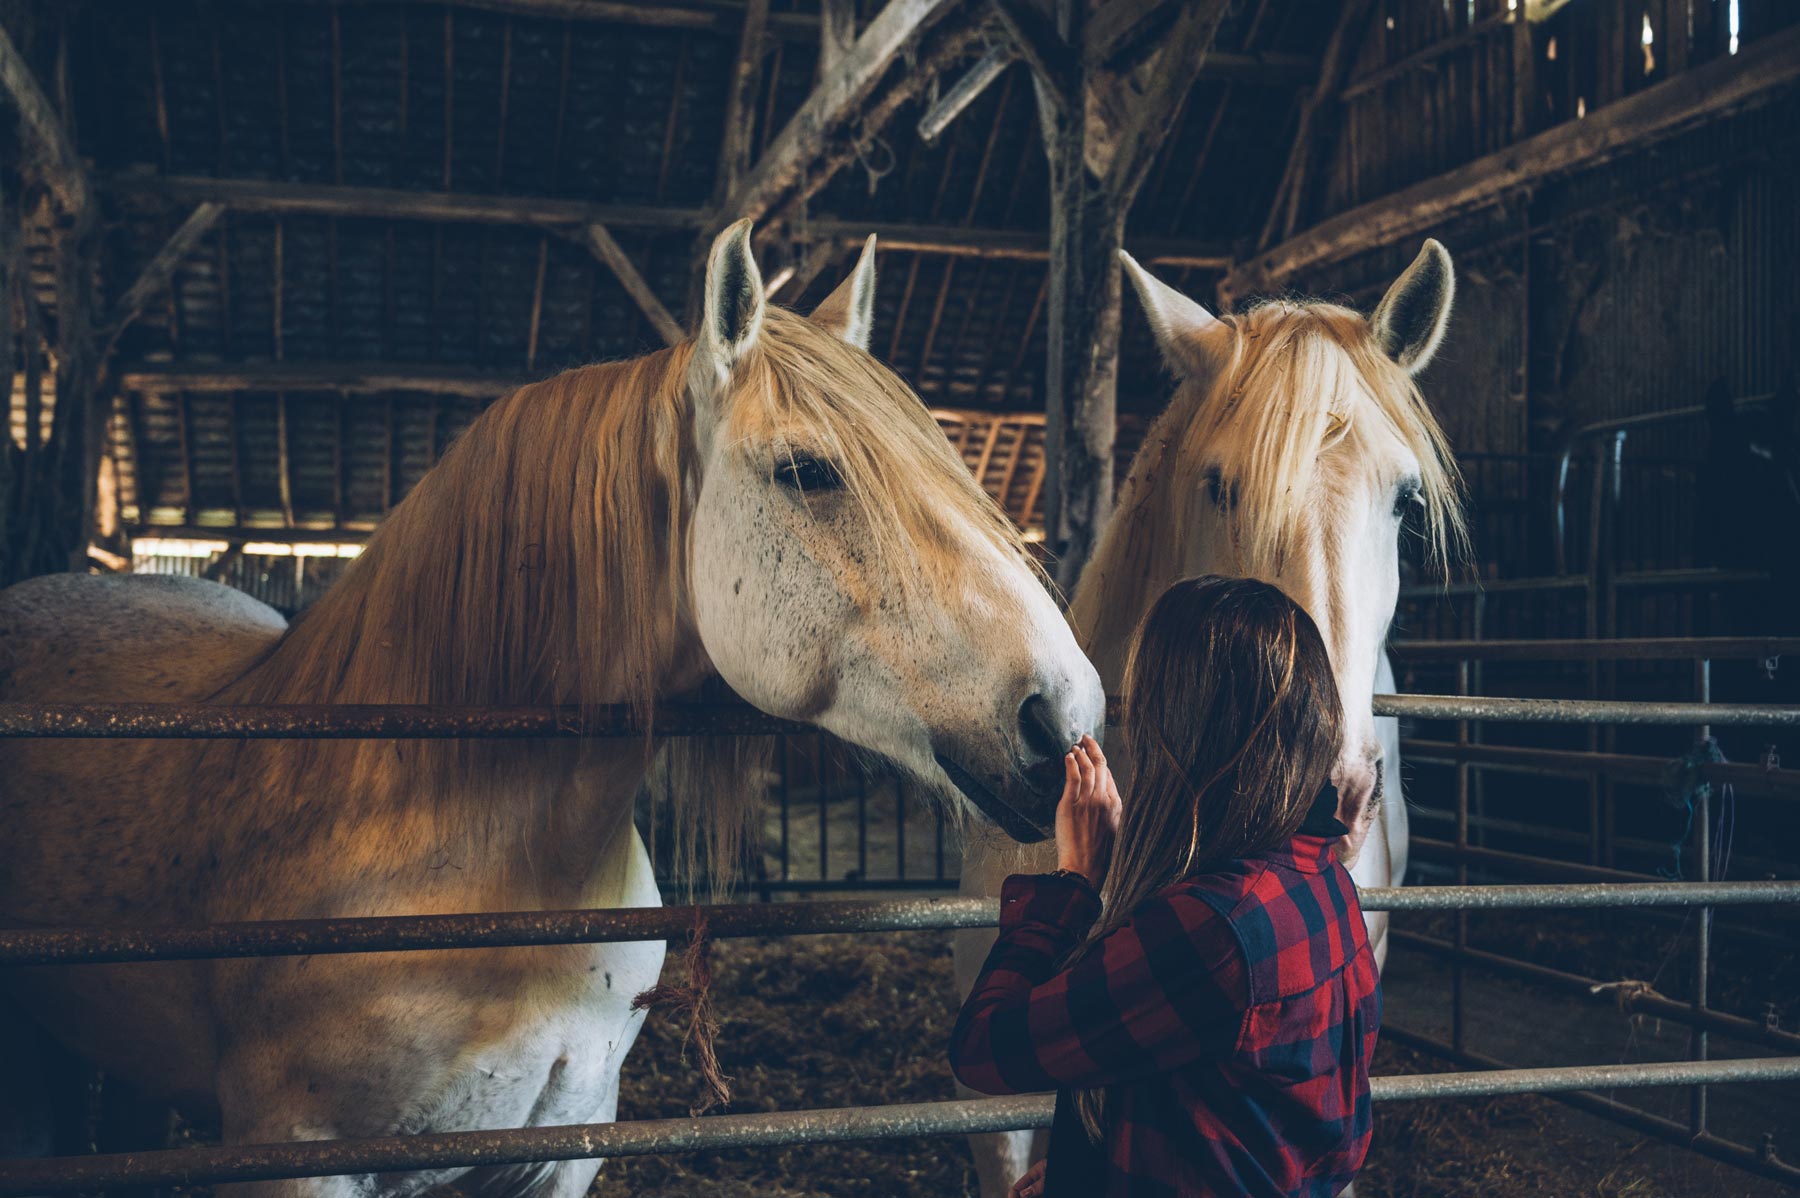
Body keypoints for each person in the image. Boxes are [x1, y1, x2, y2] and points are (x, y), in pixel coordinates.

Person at [949, 576, 1380, 1198]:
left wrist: (1076, 879)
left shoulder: (1209, 928)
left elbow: (985, 1047)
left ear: (1180, 726)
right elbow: (1269, 1118)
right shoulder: (1323, 880)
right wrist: (1088, 1171)